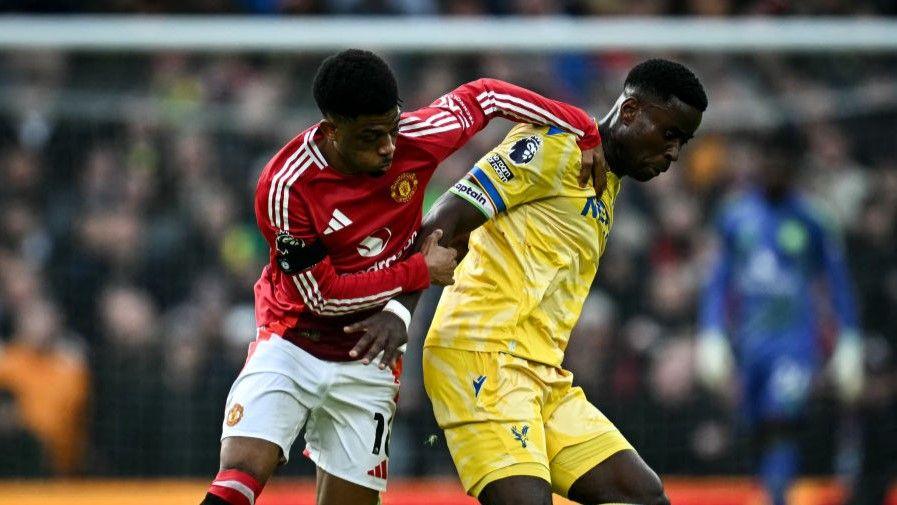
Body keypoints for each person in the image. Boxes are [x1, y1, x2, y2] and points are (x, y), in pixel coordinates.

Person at [200, 49, 605, 505]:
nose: (389, 146)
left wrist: (583, 128)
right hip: (294, 342)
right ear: (332, 130)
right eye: (372, 136)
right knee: (244, 468)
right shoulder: (287, 186)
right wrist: (419, 270)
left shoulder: (416, 138)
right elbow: (322, 296)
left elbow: (487, 95)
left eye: (392, 128)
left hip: (369, 360)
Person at [413, 59, 706, 505]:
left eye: (682, 142)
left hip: (541, 374)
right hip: (481, 355)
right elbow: (440, 223)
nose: (674, 154)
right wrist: (395, 317)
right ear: (629, 113)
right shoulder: (556, 147)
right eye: (669, 134)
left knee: (642, 497)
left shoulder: (608, 180)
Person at [696, 127, 863, 505]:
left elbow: (838, 285)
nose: (772, 168)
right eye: (766, 159)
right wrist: (711, 333)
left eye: (781, 162)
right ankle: (771, 492)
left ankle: (777, 498)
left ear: (795, 168)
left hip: (794, 345)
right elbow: (718, 282)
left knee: (781, 422)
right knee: (753, 428)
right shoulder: (735, 216)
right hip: (749, 345)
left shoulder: (814, 220)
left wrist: (849, 338)